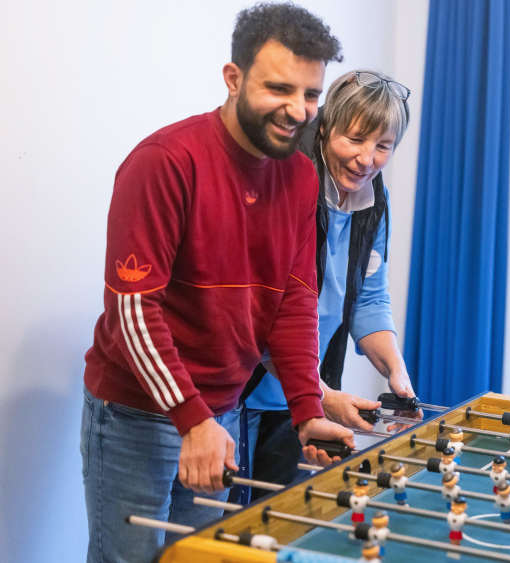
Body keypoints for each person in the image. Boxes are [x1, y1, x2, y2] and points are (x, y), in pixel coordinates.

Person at [80, 4, 349, 561]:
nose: (298, 110)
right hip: (140, 414)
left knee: (199, 558)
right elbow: (133, 310)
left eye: (311, 94)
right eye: (280, 88)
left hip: (221, 413)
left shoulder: (300, 176)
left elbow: (295, 299)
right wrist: (191, 418)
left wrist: (307, 407)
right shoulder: (164, 162)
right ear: (233, 78)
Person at [237, 68, 418, 500]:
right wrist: (320, 395)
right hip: (243, 387)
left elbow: (369, 296)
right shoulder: (287, 184)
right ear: (325, 127)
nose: (367, 159)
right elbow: (260, 316)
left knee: (277, 523)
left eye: (383, 146)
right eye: (354, 139)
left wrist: (395, 369)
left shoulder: (376, 201)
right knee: (226, 523)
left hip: (304, 396)